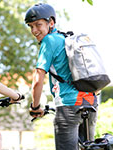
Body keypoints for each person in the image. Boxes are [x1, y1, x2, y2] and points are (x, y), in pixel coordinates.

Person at [24, 3, 98, 150]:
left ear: (51, 22)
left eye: (38, 25)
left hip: (69, 104)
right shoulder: (66, 39)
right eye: (31, 26)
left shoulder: (49, 41)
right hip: (90, 102)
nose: (34, 30)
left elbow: (38, 79)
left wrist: (35, 106)